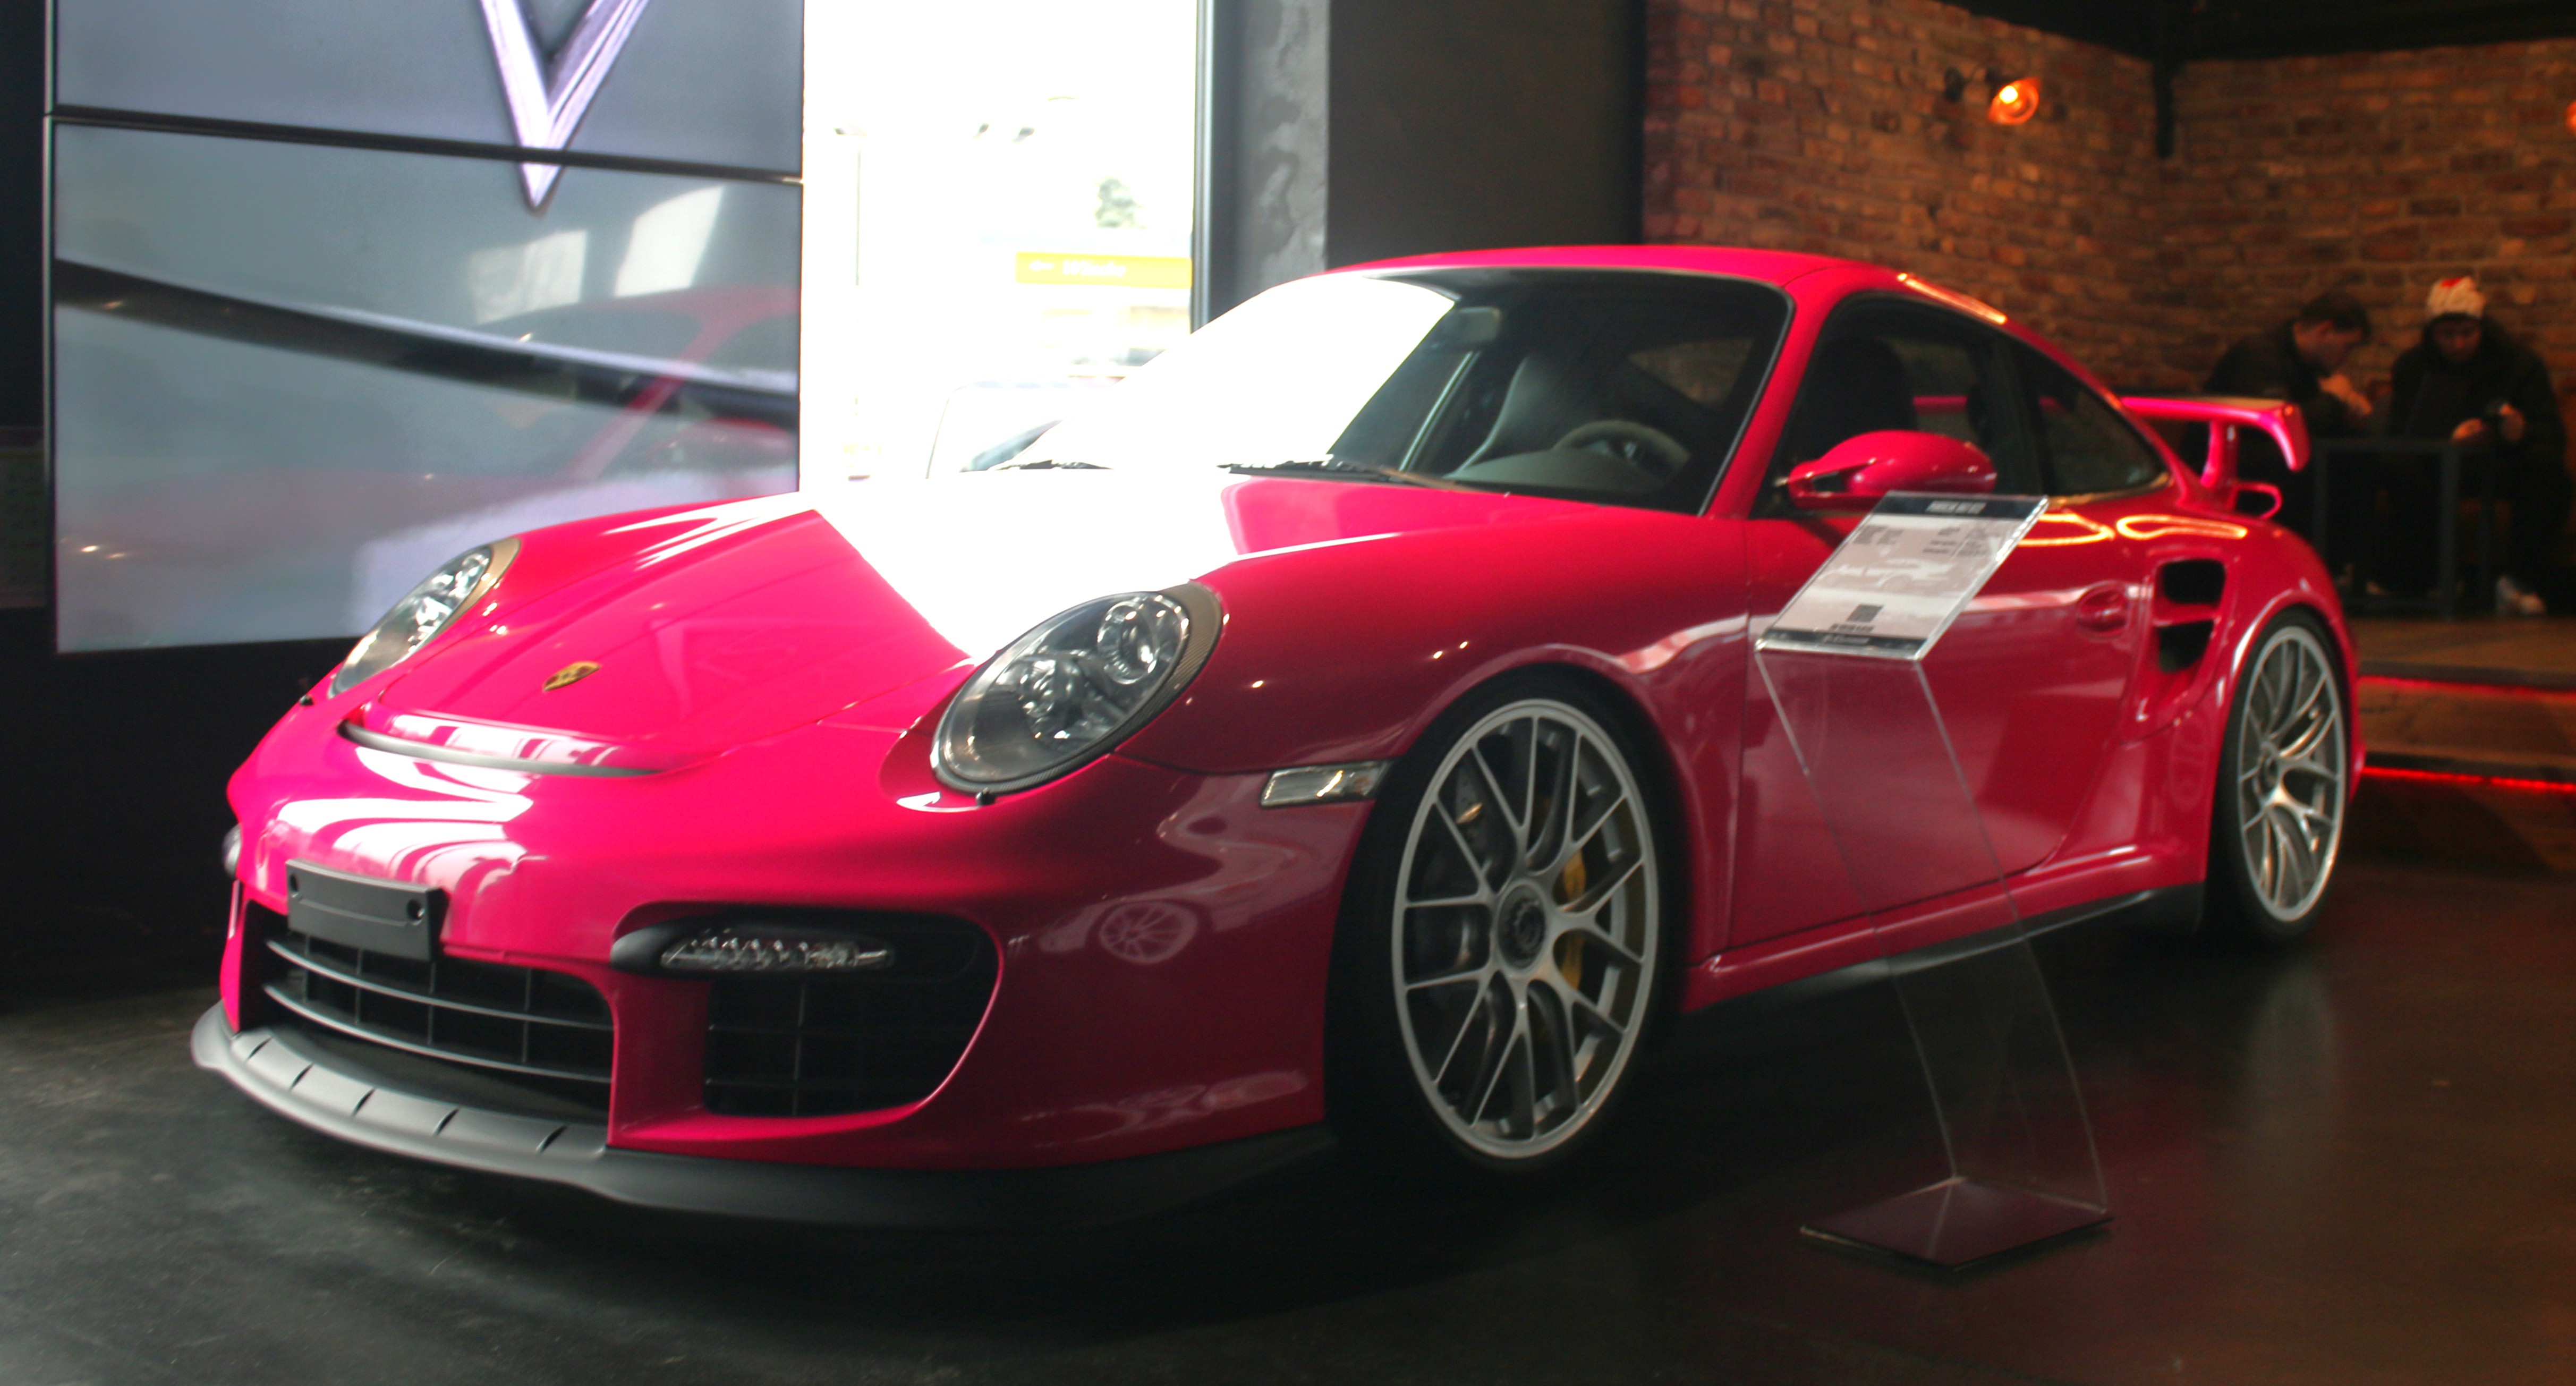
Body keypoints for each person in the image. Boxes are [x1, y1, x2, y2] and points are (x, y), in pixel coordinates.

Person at [2374, 277, 2570, 615]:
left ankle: (2518, 580)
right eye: (2447, 335)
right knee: (2398, 467)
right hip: (2436, 464)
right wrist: (2448, 441)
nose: (2458, 344)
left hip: (2503, 463)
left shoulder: (2518, 363)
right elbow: (2403, 433)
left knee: (2547, 470)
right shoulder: (2413, 366)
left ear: (2482, 328)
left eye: (2468, 333)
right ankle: (2425, 579)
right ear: (2432, 334)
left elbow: (2551, 432)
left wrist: (2520, 433)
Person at [2204, 291, 2376, 560]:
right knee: (2312, 472)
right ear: (2325, 331)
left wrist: (2345, 414)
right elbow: (2282, 426)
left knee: (2359, 459)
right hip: (2230, 464)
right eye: (2347, 347)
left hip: (2264, 462)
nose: (2346, 357)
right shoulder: (2259, 356)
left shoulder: (2303, 361)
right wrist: (2333, 398)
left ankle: (2340, 562)